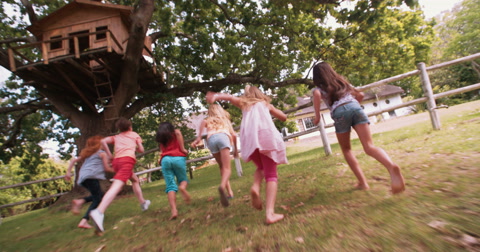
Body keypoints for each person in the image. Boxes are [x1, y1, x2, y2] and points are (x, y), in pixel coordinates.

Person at [311, 62, 405, 194]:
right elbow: (360, 95)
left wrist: (317, 117)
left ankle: (363, 182)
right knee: (369, 146)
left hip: (339, 113)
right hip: (355, 107)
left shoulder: (318, 88)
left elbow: (316, 95)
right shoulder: (342, 82)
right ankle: (391, 166)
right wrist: (353, 108)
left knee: (347, 150)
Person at [206, 85, 287, 224]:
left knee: (261, 168)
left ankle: (255, 187)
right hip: (266, 139)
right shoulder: (266, 104)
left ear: (247, 96)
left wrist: (216, 96)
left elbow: (230, 97)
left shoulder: (244, 104)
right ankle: (270, 214)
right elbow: (283, 117)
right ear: (259, 94)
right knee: (271, 175)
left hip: (250, 141)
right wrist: (275, 111)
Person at [89, 118, 151, 233]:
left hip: (116, 162)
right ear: (130, 127)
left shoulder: (116, 137)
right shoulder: (134, 135)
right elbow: (141, 149)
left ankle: (143, 203)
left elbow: (103, 141)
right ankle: (99, 212)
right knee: (116, 186)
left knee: (135, 180)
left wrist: (109, 154)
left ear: (120, 129)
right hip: (127, 161)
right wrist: (134, 147)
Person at [190, 104, 238, 207]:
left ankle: (229, 192)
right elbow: (234, 135)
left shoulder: (206, 121)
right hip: (223, 137)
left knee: (221, 167)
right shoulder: (225, 120)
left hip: (211, 140)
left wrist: (195, 142)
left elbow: (199, 138)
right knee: (227, 168)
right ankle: (222, 187)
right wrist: (235, 150)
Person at [65, 135, 113, 229]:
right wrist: (117, 170)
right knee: (97, 199)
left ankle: (80, 201)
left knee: (99, 195)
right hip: (91, 177)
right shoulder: (102, 153)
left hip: (83, 178)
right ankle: (84, 221)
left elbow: (73, 160)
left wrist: (68, 172)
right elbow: (107, 168)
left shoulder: (88, 154)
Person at [156, 122, 191, 220]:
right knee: (183, 179)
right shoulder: (175, 132)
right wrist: (183, 149)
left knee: (170, 186)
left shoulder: (162, 137)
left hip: (165, 160)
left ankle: (174, 210)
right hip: (178, 158)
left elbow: (162, 151)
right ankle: (182, 188)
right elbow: (178, 133)